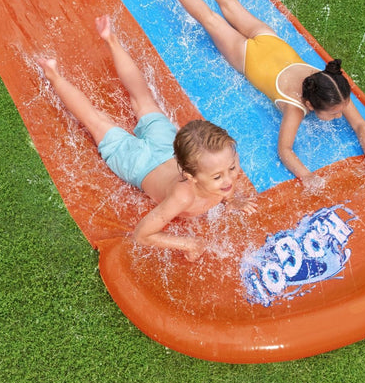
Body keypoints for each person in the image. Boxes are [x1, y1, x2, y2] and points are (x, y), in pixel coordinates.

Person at [153, 0, 365, 187]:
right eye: (335, 113)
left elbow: (359, 124)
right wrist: (307, 176)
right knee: (210, 19)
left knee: (230, 4)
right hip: (246, 57)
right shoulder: (295, 109)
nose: (339, 115)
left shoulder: (331, 85)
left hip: (269, 40)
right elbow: (285, 150)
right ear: (310, 105)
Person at [37, 15, 245, 261]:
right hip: (140, 164)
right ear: (190, 176)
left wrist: (232, 199)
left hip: (167, 146)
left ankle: (111, 40)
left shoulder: (212, 167)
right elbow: (142, 234)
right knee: (95, 121)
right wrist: (187, 243)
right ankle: (54, 75)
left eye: (232, 167)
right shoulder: (183, 195)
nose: (229, 178)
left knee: (143, 98)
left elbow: (224, 181)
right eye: (219, 176)